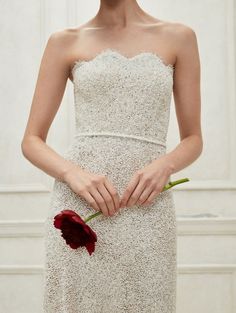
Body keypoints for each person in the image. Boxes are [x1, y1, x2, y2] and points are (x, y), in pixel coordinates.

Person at [21, 0, 203, 312]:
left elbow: (193, 139)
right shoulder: (65, 41)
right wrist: (72, 175)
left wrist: (165, 164)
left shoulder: (179, 38)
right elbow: (31, 140)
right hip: (81, 204)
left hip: (147, 207)